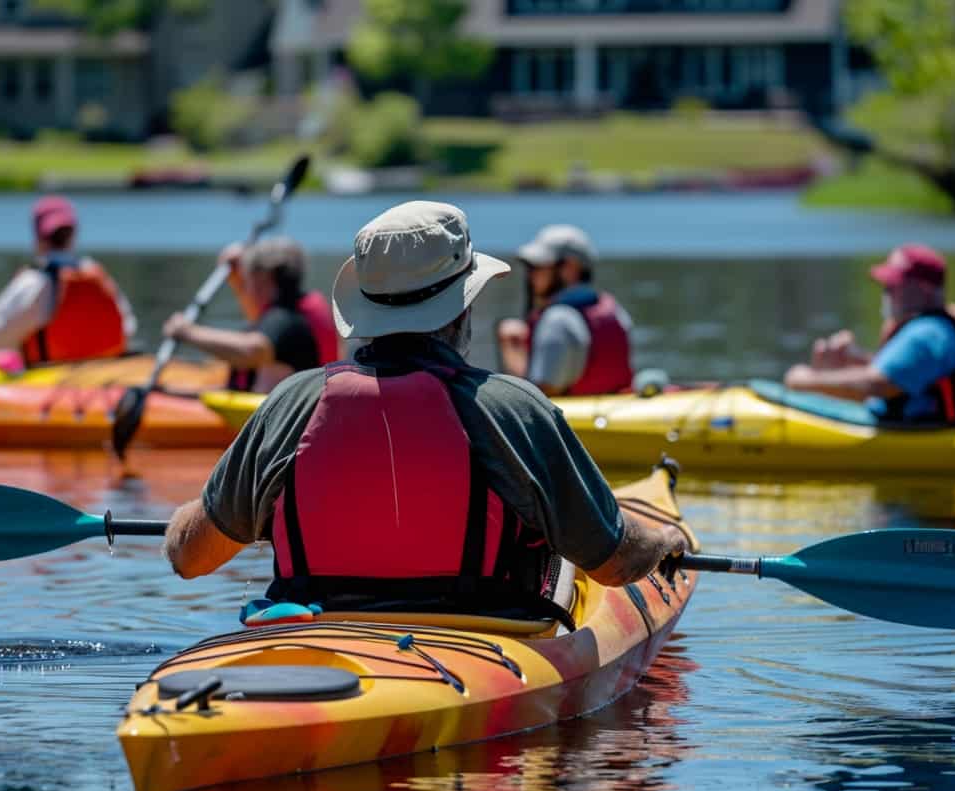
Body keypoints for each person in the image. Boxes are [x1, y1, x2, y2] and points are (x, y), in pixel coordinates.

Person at [162, 201, 690, 623]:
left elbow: (189, 557)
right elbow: (613, 561)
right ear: (463, 306)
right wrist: (661, 542)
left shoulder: (290, 404)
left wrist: (201, 512)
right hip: (480, 638)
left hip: (312, 633)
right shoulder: (513, 410)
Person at [784, 244, 955, 425]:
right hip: (894, 428)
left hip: (912, 440)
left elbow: (878, 384)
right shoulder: (931, 328)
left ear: (924, 289)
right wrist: (857, 360)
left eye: (893, 285)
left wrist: (805, 380)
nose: (886, 292)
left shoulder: (928, 334)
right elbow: (900, 376)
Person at [162, 237, 338, 395]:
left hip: (275, 417)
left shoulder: (284, 321)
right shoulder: (300, 307)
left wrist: (187, 332)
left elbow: (252, 351)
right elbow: (259, 318)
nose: (246, 289)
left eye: (247, 281)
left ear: (262, 279)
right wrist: (236, 277)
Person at [0, 195, 137, 366]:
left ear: (38, 237)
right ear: (73, 234)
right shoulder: (97, 274)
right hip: (104, 379)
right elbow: (128, 328)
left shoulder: (35, 281)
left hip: (50, 381)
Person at [496, 224, 633, 396]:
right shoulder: (614, 309)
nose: (530, 275)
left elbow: (535, 399)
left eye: (537, 266)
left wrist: (511, 348)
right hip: (610, 407)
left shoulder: (557, 321)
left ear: (569, 267)